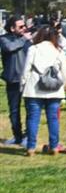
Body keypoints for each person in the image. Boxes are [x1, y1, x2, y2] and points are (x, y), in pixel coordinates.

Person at [20, 25, 66, 156]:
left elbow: (26, 70)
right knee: (53, 119)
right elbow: (64, 72)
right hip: (54, 89)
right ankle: (54, 146)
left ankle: (31, 147)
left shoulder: (33, 49)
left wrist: (23, 84)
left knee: (32, 119)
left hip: (34, 89)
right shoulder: (59, 51)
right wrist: (62, 85)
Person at [1, 16, 32, 146]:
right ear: (12, 28)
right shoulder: (4, 39)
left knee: (30, 109)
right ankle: (17, 136)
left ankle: (27, 135)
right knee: (14, 110)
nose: (24, 28)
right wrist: (24, 39)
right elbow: (10, 48)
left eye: (24, 26)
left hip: (27, 79)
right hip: (13, 79)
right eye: (20, 26)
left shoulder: (28, 40)